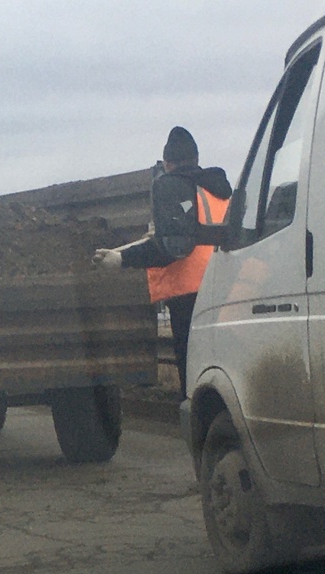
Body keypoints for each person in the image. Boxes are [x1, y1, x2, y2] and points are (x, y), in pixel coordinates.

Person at [93, 126, 231, 400]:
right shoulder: (220, 192)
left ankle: (200, 430)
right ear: (196, 158)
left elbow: (169, 249)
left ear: (168, 164)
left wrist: (122, 259)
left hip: (190, 295)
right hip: (229, 288)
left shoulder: (176, 190)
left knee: (192, 374)